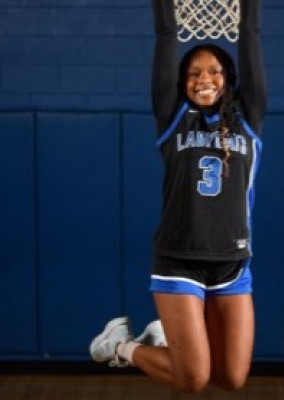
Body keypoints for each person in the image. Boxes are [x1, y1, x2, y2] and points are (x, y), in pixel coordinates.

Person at [89, 0, 266, 393]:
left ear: (229, 78)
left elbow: (250, 35)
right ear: (182, 82)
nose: (205, 79)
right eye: (194, 73)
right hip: (178, 259)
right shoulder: (172, 118)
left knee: (231, 378)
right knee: (194, 379)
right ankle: (120, 345)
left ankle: (159, 338)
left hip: (232, 263)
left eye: (215, 71)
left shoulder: (249, 118)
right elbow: (167, 36)